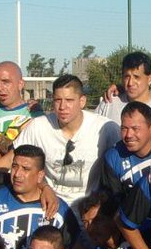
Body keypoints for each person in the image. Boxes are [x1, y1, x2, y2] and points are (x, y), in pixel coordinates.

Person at [15, 74, 120, 208]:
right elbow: (13, 160)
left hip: (90, 210)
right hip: (50, 208)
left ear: (82, 101)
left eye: (69, 100)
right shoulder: (38, 126)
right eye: (57, 100)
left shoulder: (105, 128)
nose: (62, 106)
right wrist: (44, 187)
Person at [0, 145, 67, 249]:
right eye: (14, 166)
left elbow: (75, 247)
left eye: (25, 169)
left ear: (40, 176)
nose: (17, 174)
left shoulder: (57, 207)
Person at [95, 51, 151, 131]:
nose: (130, 83)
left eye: (136, 77)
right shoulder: (109, 104)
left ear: (150, 78)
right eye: (126, 77)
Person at [99, 101, 151, 204]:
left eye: (135, 129)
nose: (128, 135)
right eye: (124, 129)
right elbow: (113, 204)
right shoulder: (112, 158)